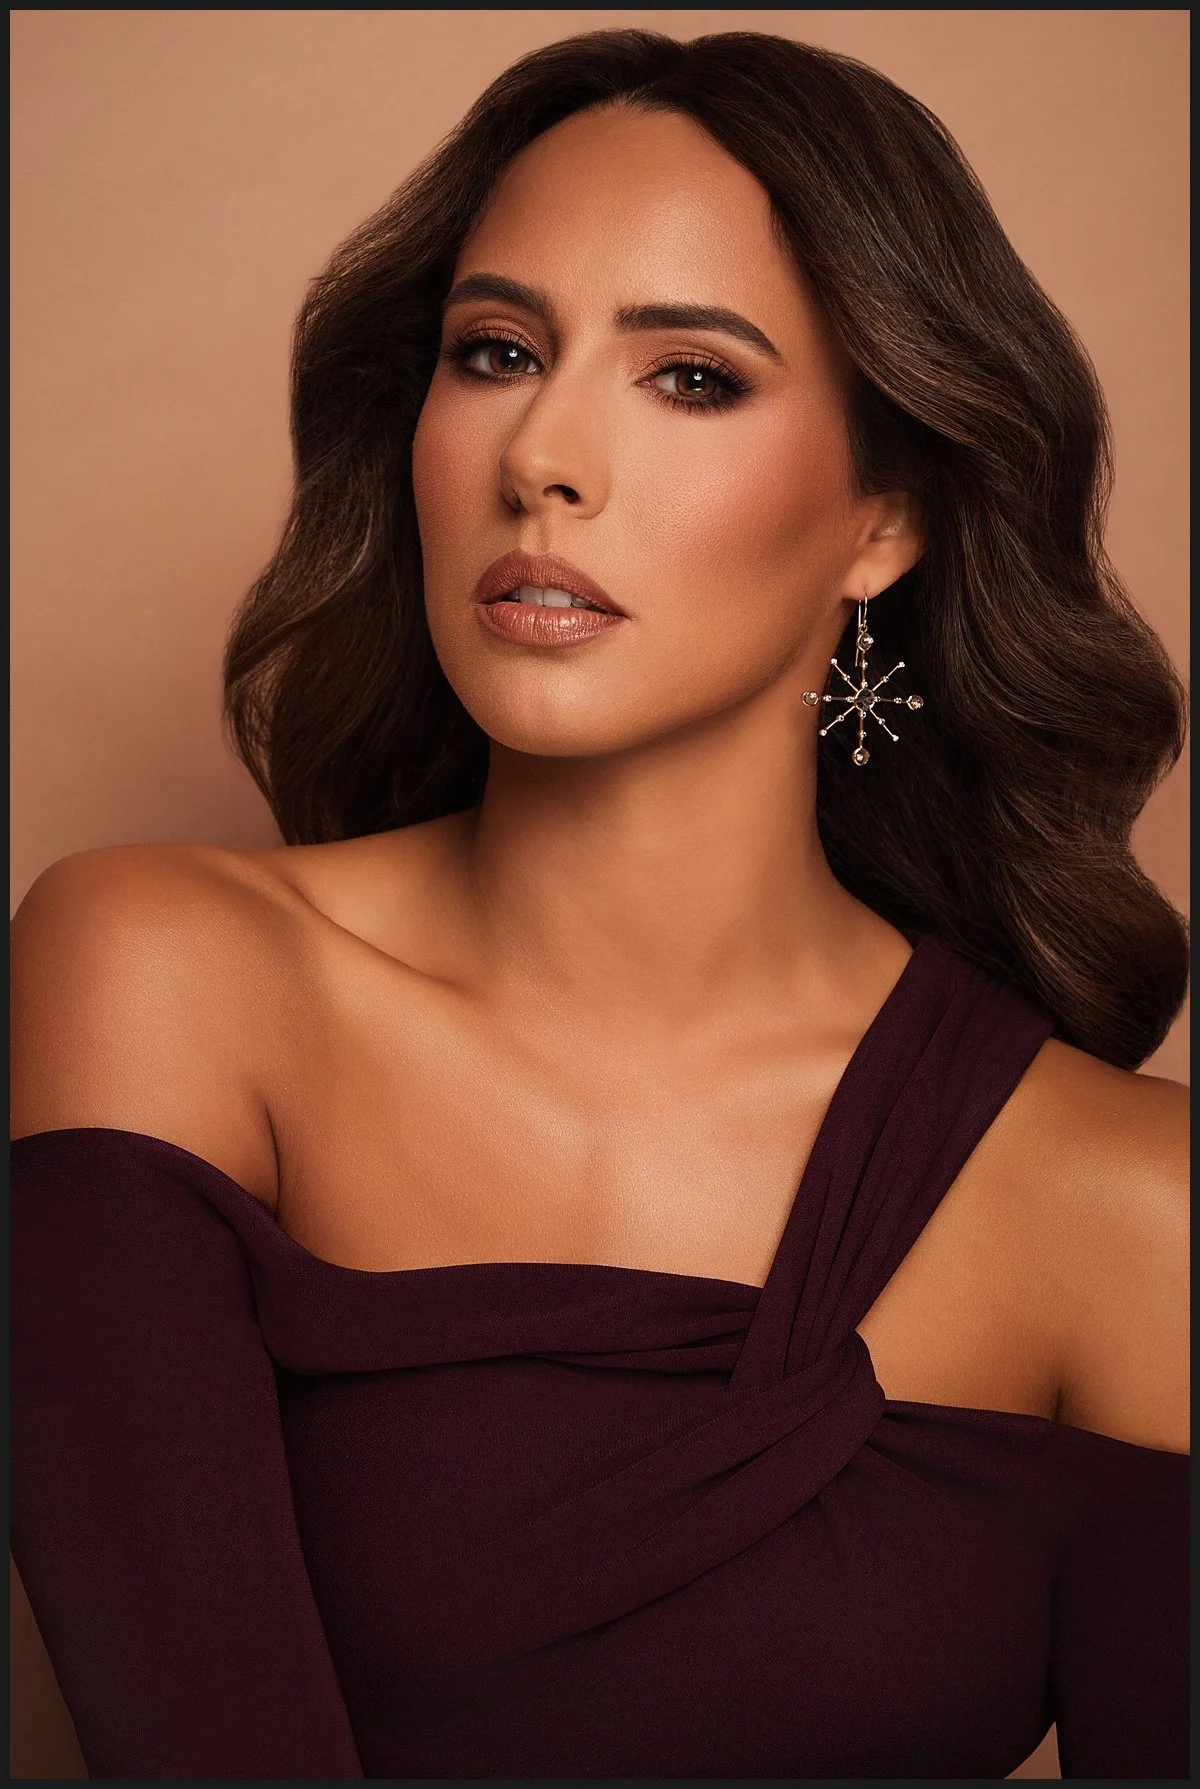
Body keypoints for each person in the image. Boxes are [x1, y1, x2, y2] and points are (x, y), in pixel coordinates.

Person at [10, 27, 1188, 1781]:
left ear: (886, 517)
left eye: (693, 378)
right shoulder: (164, 975)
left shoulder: (1132, 1211)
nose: (542, 457)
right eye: (494, 353)